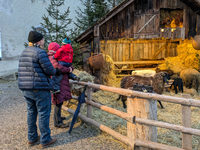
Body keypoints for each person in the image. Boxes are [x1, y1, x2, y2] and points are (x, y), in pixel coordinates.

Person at [18, 31, 59, 148]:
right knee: (43, 113)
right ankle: (45, 139)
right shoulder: (40, 52)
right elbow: (50, 70)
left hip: (25, 87)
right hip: (39, 87)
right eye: (42, 39)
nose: (44, 41)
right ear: (38, 41)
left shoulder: (24, 52)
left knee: (31, 112)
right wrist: (57, 71)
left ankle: (32, 137)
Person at [48, 42, 73, 128]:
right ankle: (57, 122)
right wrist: (69, 69)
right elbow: (58, 67)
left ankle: (58, 117)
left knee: (60, 101)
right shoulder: (52, 58)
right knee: (58, 101)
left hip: (61, 83)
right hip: (58, 84)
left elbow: (65, 63)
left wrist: (70, 68)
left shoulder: (55, 57)